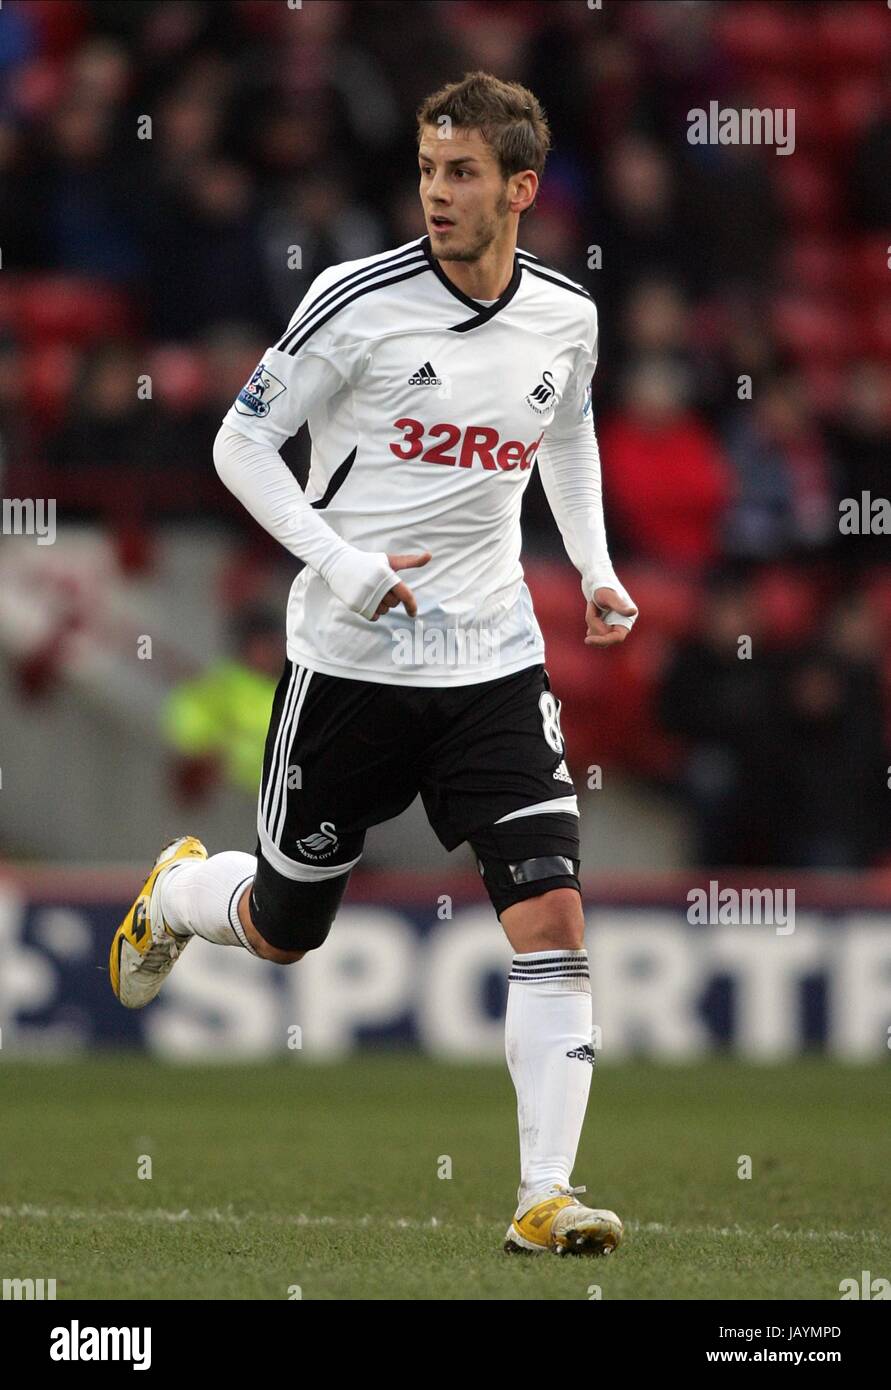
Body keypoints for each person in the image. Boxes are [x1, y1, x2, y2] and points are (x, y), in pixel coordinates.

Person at [109, 71, 637, 1258]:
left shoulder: (568, 317)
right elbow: (239, 441)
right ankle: (181, 897)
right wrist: (339, 560)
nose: (437, 194)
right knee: (290, 925)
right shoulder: (355, 302)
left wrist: (595, 567)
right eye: (426, 169)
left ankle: (544, 1194)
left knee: (551, 915)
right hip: (349, 661)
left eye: (461, 174)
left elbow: (568, 432)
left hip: (494, 657)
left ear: (521, 189)